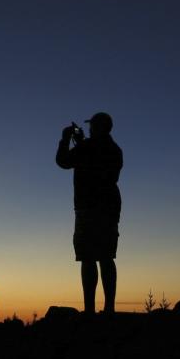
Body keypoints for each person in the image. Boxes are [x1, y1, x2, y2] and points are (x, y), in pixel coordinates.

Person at [55, 112, 123, 315]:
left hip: (87, 208)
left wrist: (66, 139)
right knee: (106, 256)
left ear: (96, 127)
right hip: (109, 207)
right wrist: (83, 142)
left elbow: (63, 161)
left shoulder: (86, 148)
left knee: (87, 257)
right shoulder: (114, 149)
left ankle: (90, 310)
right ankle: (109, 308)